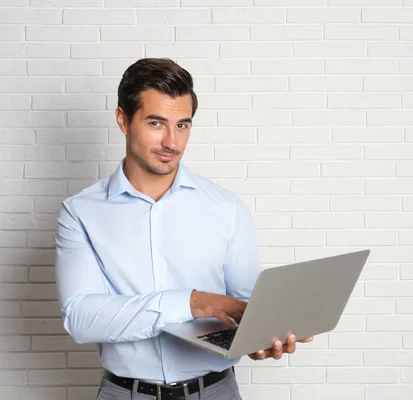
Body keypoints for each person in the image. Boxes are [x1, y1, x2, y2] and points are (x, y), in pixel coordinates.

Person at [54, 58, 312, 400]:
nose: (171, 142)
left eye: (183, 125)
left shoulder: (226, 208)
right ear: (123, 119)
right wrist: (192, 303)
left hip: (216, 391)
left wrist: (261, 338)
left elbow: (244, 307)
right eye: (156, 123)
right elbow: (82, 318)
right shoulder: (81, 212)